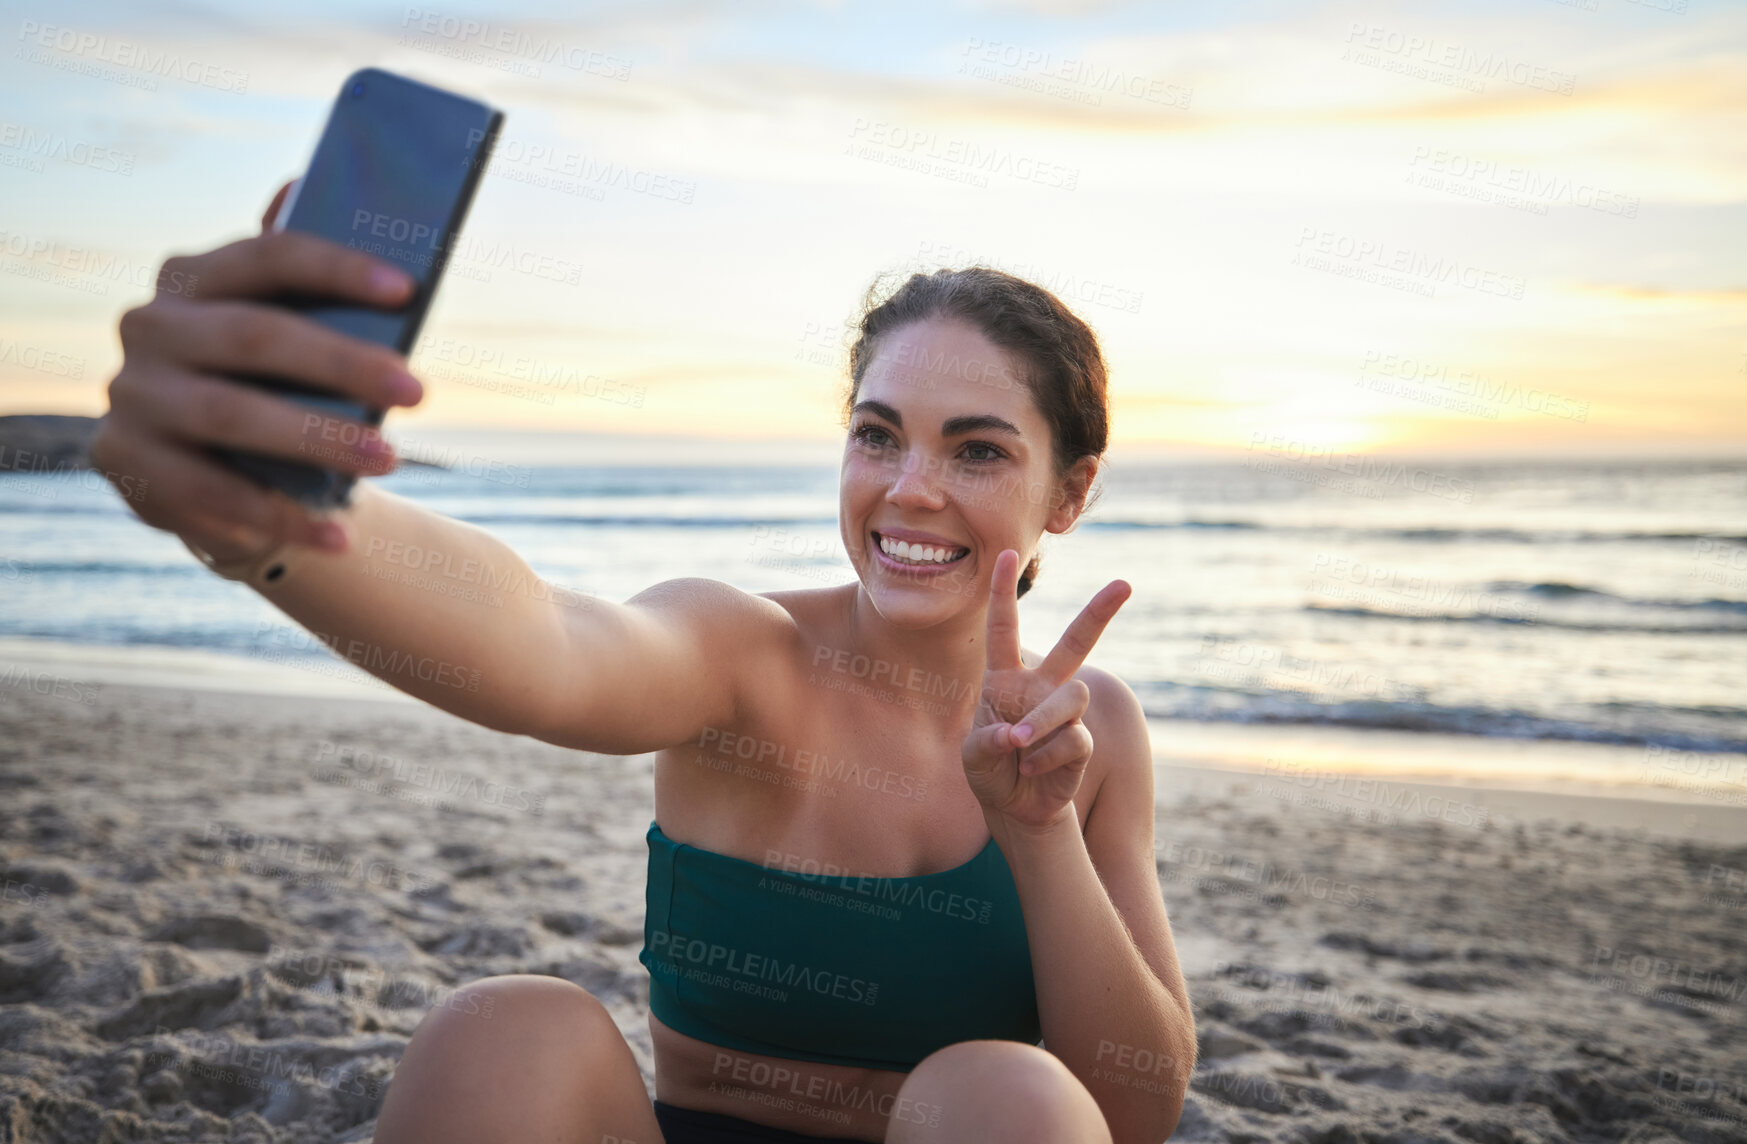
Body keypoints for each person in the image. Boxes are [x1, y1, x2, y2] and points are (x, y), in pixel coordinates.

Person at [92, 180, 1197, 1144]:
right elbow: (546, 643)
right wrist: (266, 516)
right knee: (506, 1027)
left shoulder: (1089, 729)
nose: (909, 486)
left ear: (1069, 492)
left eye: (978, 449)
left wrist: (1040, 830)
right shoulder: (742, 653)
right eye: (876, 433)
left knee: (1002, 1087)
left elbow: (1128, 1113)